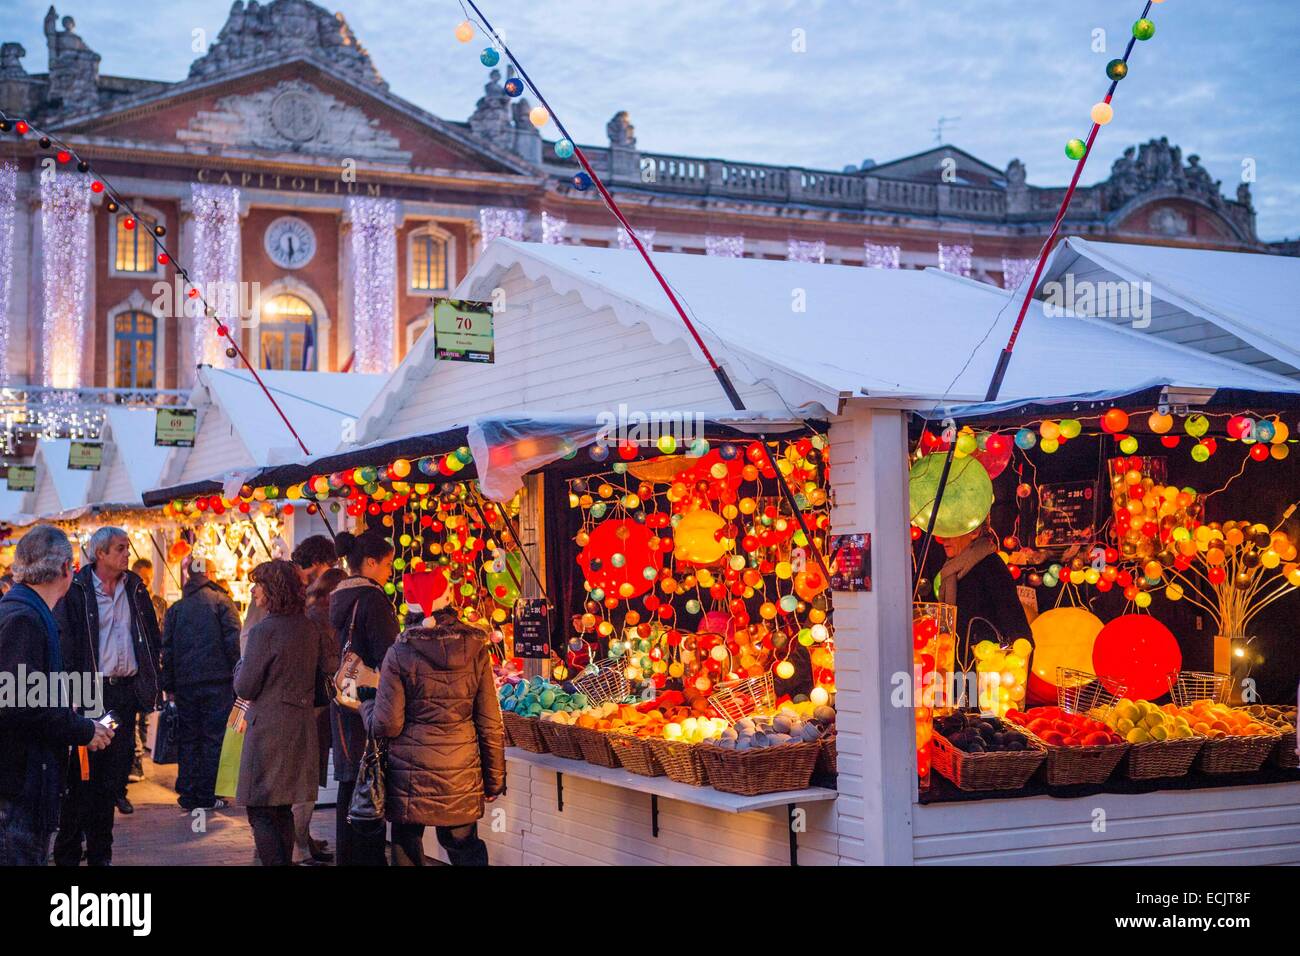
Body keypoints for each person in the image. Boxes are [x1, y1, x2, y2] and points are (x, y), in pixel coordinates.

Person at [360, 574, 505, 866]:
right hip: (460, 773)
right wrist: (494, 781)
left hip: (409, 777)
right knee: (464, 847)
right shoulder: (476, 647)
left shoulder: (399, 652)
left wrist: (366, 705)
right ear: (449, 598)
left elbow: (387, 724)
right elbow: (490, 721)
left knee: (406, 846)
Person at [0, 526, 112, 865]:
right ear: (67, 569)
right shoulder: (25, 618)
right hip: (19, 787)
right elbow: (21, 705)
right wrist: (83, 729)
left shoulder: (25, 611)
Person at [53, 527, 161, 866]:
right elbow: (66, 643)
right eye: (119, 548)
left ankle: (101, 854)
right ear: (100, 554)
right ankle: (69, 852)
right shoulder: (78, 590)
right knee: (82, 776)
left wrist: (150, 678)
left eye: (127, 547)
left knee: (111, 780)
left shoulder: (135, 588)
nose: (127, 554)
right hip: (91, 695)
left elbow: (150, 636)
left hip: (122, 698)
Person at [233, 560, 333, 866]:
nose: (253, 590)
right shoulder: (309, 627)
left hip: (268, 730)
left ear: (272, 589)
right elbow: (322, 681)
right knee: (282, 807)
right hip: (301, 725)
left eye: (258, 584)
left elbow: (246, 686)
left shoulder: (264, 631)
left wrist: (240, 665)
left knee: (261, 809)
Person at [329, 528, 398, 866]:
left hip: (345, 698)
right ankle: (368, 858)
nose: (389, 573)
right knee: (368, 774)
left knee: (350, 778)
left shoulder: (339, 597)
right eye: (387, 565)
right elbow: (389, 655)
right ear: (370, 563)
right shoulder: (372, 599)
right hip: (368, 699)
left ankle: (348, 857)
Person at [160, 555, 241, 811]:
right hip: (218, 683)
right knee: (213, 738)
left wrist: (169, 686)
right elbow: (234, 645)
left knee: (189, 738)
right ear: (210, 573)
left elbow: (168, 651)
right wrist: (238, 677)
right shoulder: (222, 603)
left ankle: (188, 792)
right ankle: (208, 794)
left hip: (185, 685)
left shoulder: (176, 609)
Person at [294, 566, 346, 865]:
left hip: (318, 707)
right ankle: (298, 843)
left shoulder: (317, 617)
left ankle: (303, 838)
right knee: (306, 779)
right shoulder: (318, 622)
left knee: (309, 778)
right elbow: (324, 665)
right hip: (315, 708)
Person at [934, 523, 1032, 663]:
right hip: (957, 667)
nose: (944, 538)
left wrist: (1015, 667)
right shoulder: (951, 569)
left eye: (952, 532)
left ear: (974, 532)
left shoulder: (991, 566)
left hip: (986, 668)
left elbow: (1015, 624)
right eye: (944, 532)